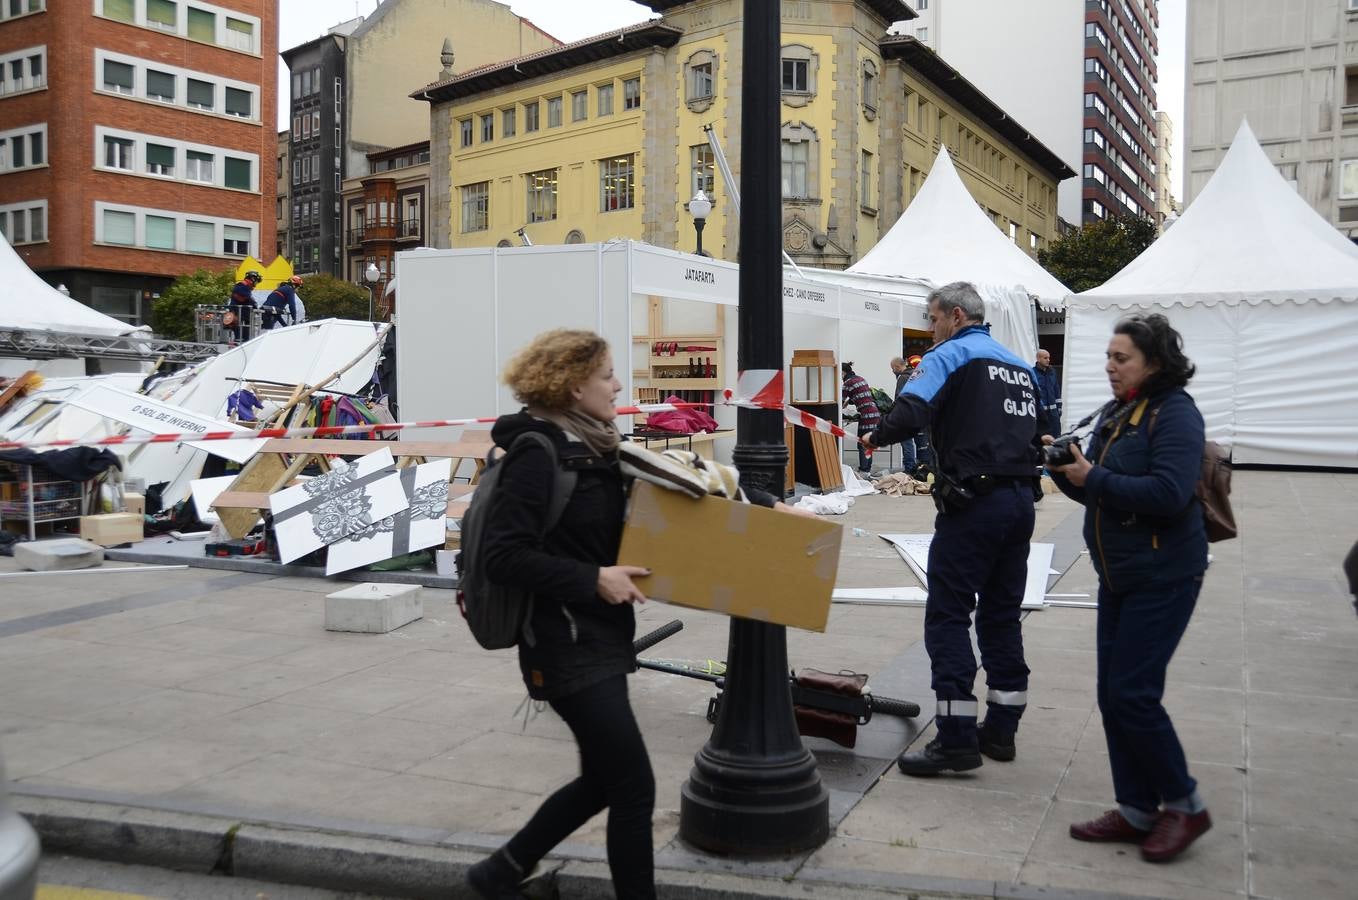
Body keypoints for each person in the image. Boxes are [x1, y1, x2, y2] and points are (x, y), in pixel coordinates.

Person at [467, 329, 803, 899]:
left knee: (604, 780)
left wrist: (771, 514)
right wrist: (593, 578)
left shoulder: (593, 444)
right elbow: (504, 555)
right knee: (633, 788)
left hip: (596, 637)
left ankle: (498, 872)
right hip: (563, 643)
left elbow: (680, 487)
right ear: (574, 387)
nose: (617, 385)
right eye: (606, 376)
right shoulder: (536, 451)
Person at [1049, 313, 1213, 863]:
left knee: (1133, 695)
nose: (1110, 366)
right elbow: (1102, 494)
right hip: (1120, 574)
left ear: (1155, 362)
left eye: (1122, 358)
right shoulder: (1120, 412)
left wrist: (1091, 477)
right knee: (1113, 696)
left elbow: (1168, 493)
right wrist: (1066, 471)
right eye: (1109, 356)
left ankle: (1186, 805)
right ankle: (1139, 809)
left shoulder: (1176, 414)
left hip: (1164, 574)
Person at [862, 282, 1039, 776]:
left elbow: (909, 413)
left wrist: (876, 432)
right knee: (1002, 617)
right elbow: (1039, 427)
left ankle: (957, 737)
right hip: (1020, 502)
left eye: (933, 319)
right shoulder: (1018, 364)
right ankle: (1001, 730)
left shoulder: (950, 355)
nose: (930, 329)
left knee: (948, 616)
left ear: (955, 316)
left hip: (973, 505)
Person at [841, 361, 880, 474]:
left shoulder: (848, 383)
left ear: (843, 372)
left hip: (867, 414)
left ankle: (864, 470)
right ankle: (867, 469)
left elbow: (840, 400)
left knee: (862, 443)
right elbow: (861, 396)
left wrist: (843, 406)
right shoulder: (861, 379)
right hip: (875, 412)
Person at [1034, 348, 1062, 439]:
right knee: (1043, 437)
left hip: (1053, 413)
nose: (1048, 360)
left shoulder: (1052, 372)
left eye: (1049, 358)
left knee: (1056, 437)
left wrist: (1059, 406)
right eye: (1045, 358)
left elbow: (1056, 389)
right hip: (1041, 413)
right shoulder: (1032, 373)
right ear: (1038, 359)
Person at [227, 270, 261, 342]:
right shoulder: (242, 285)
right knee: (240, 337)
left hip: (242, 314)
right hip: (237, 313)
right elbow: (248, 299)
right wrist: (255, 306)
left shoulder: (246, 287)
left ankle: (243, 341)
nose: (256, 283)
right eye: (256, 281)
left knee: (245, 335)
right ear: (253, 278)